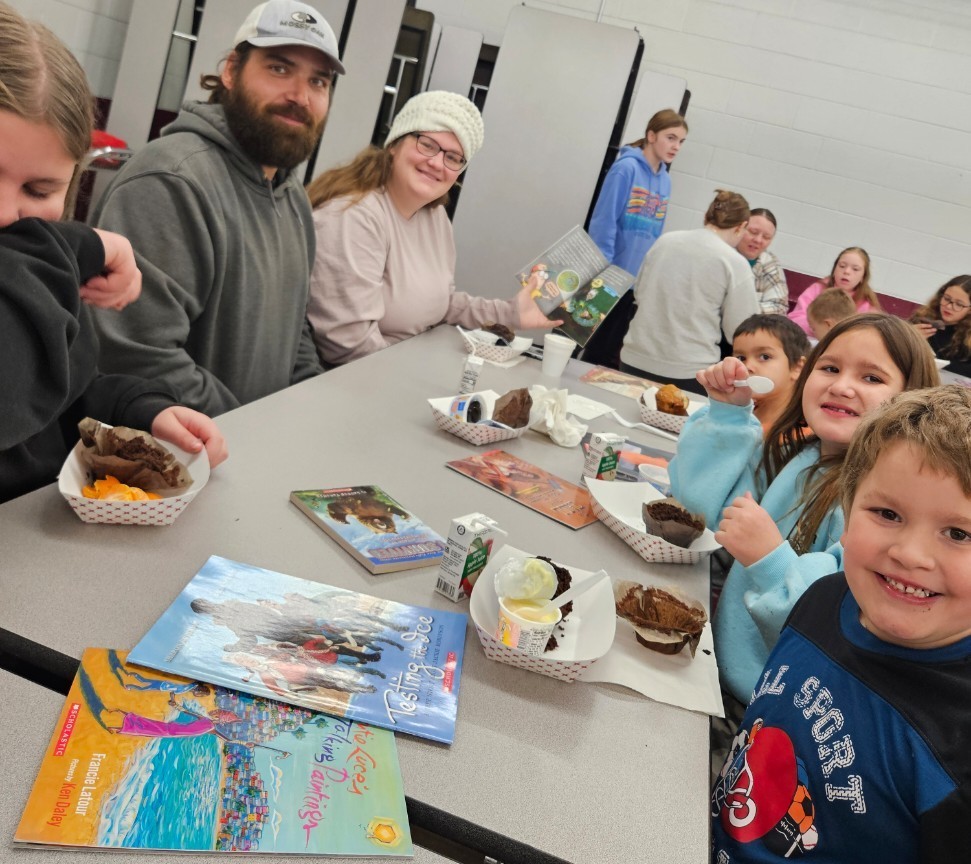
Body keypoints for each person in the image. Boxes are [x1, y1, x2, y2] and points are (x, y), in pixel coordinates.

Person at [711, 385, 971, 862]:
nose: (909, 554)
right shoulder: (822, 598)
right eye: (886, 513)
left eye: (958, 533)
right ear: (847, 516)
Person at [0, 1, 226, 504]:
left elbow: (61, 389)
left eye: (38, 191)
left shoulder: (39, 270)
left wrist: (140, 409)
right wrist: (87, 244)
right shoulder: (42, 258)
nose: (4, 212)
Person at [669, 313, 939, 708]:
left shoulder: (882, 508)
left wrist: (769, 560)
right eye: (829, 367)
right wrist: (727, 414)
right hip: (714, 668)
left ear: (911, 402)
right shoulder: (802, 455)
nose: (842, 386)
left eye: (871, 378)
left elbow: (838, 627)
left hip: (768, 707)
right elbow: (708, 509)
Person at [91, 0, 343, 415]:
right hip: (174, 464)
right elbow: (140, 357)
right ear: (231, 71)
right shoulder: (172, 180)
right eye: (279, 69)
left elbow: (293, 329)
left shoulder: (292, 196)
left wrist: (308, 409)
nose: (300, 96)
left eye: (318, 82)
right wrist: (252, 432)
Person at [305, 90, 559, 366]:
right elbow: (350, 346)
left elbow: (440, 303)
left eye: (453, 157)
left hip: (393, 370)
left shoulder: (435, 218)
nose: (437, 162)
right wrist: (425, 378)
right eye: (427, 144)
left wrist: (511, 313)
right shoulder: (353, 217)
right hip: (345, 381)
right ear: (395, 144)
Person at [619, 189, 760, 395]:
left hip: (634, 357)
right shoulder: (734, 262)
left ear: (706, 216)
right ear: (741, 227)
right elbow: (740, 331)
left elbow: (639, 294)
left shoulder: (665, 241)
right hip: (688, 371)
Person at [582, 108, 688, 368]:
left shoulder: (665, 180)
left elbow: (655, 235)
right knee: (588, 347)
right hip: (609, 277)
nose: (676, 147)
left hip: (634, 282)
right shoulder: (626, 169)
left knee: (609, 354)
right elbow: (603, 221)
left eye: (681, 141)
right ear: (651, 135)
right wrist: (605, 272)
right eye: (671, 137)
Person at [731, 314, 809, 434]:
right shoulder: (737, 412)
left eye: (764, 356)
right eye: (741, 358)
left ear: (797, 368)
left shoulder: (801, 434)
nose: (747, 367)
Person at [788, 246, 881, 335]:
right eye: (842, 266)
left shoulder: (867, 306)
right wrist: (818, 328)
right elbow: (795, 318)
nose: (847, 271)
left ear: (863, 277)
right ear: (834, 270)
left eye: (855, 269)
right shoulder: (817, 289)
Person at [910, 274, 971, 378]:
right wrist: (909, 337)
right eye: (947, 299)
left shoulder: (968, 338)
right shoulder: (921, 319)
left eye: (959, 304)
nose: (948, 306)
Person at [734, 208, 789, 316]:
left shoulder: (769, 263)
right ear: (740, 228)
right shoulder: (722, 253)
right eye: (753, 232)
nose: (758, 240)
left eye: (766, 237)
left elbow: (779, 306)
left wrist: (740, 309)